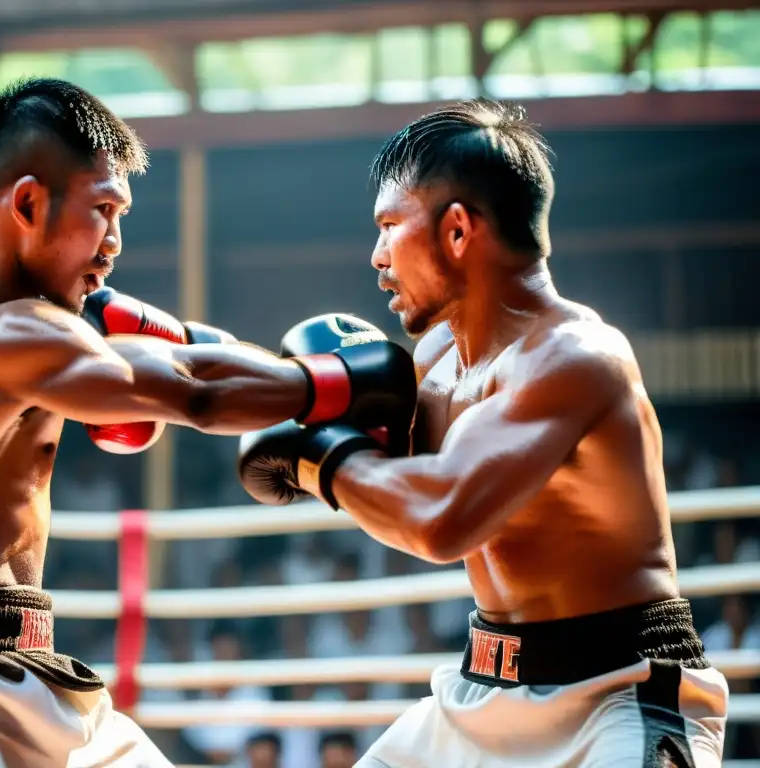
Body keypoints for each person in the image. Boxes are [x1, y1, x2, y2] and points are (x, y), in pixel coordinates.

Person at [0, 77, 418, 768]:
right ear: (26, 203)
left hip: (10, 669)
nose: (113, 244)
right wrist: (340, 382)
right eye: (103, 210)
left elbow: (183, 347)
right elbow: (191, 389)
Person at [237, 99, 728, 766]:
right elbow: (401, 495)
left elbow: (442, 518)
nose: (377, 256)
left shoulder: (574, 357)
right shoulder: (436, 361)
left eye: (388, 226)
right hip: (482, 688)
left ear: (459, 230)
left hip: (617, 691)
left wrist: (312, 459)